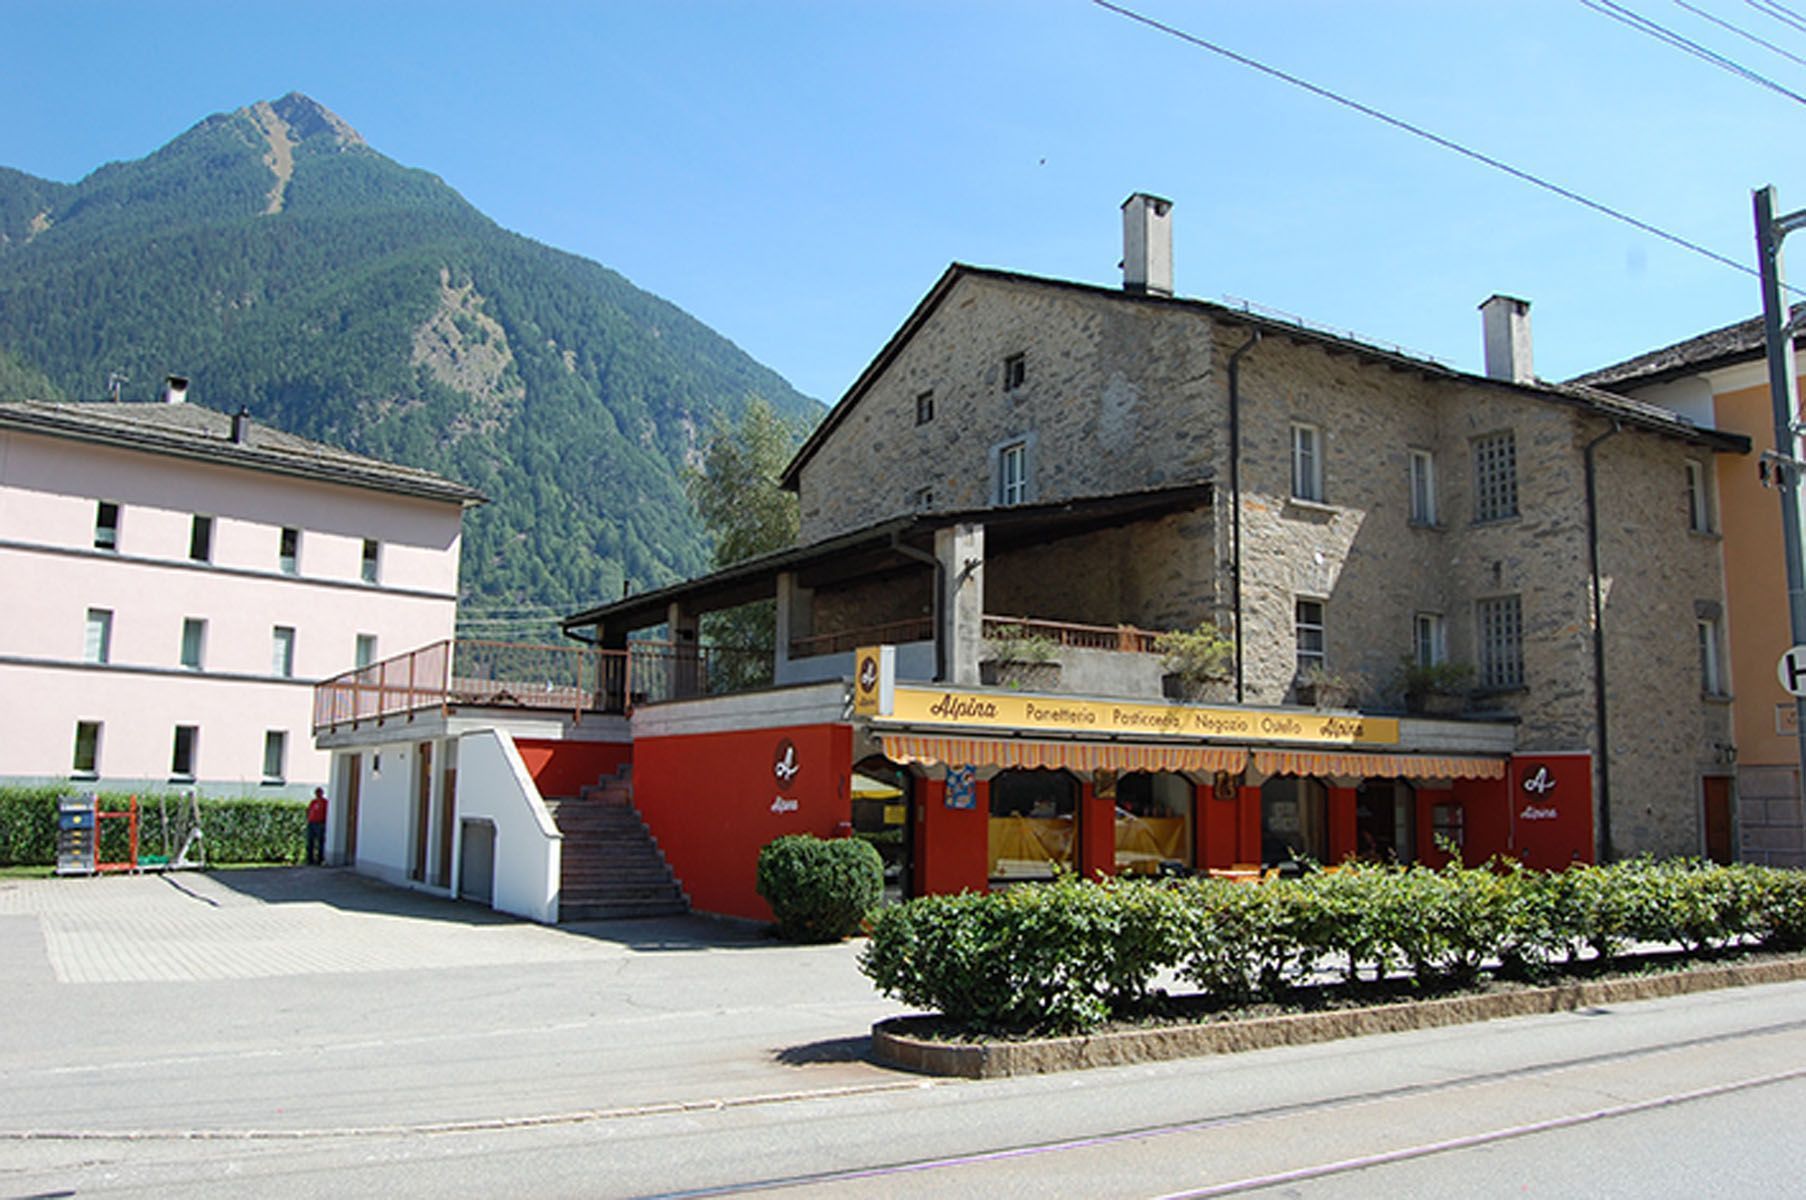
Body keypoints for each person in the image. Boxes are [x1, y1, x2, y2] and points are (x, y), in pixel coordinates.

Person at [305, 787, 328, 866]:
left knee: (320, 842)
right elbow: (308, 810)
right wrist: (308, 819)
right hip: (312, 823)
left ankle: (319, 859)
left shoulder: (325, 802)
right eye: (316, 792)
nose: (318, 794)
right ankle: (309, 859)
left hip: (320, 823)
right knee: (310, 841)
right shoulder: (313, 802)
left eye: (319, 792)